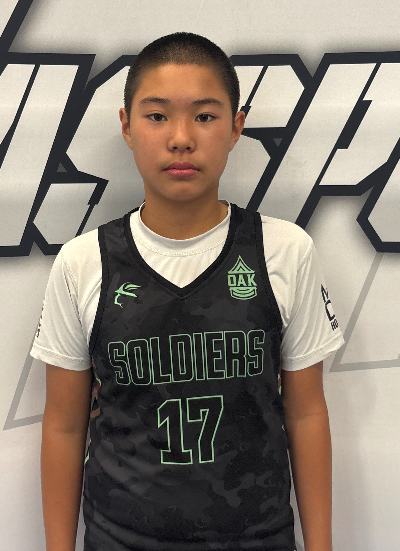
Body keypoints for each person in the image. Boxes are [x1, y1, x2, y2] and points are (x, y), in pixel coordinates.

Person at [32, 32, 344, 551]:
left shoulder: (284, 251)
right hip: (121, 538)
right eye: (157, 116)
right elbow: (64, 426)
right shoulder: (84, 262)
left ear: (236, 126)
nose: (181, 138)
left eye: (204, 116)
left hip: (258, 537)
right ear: (127, 126)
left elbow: (307, 411)